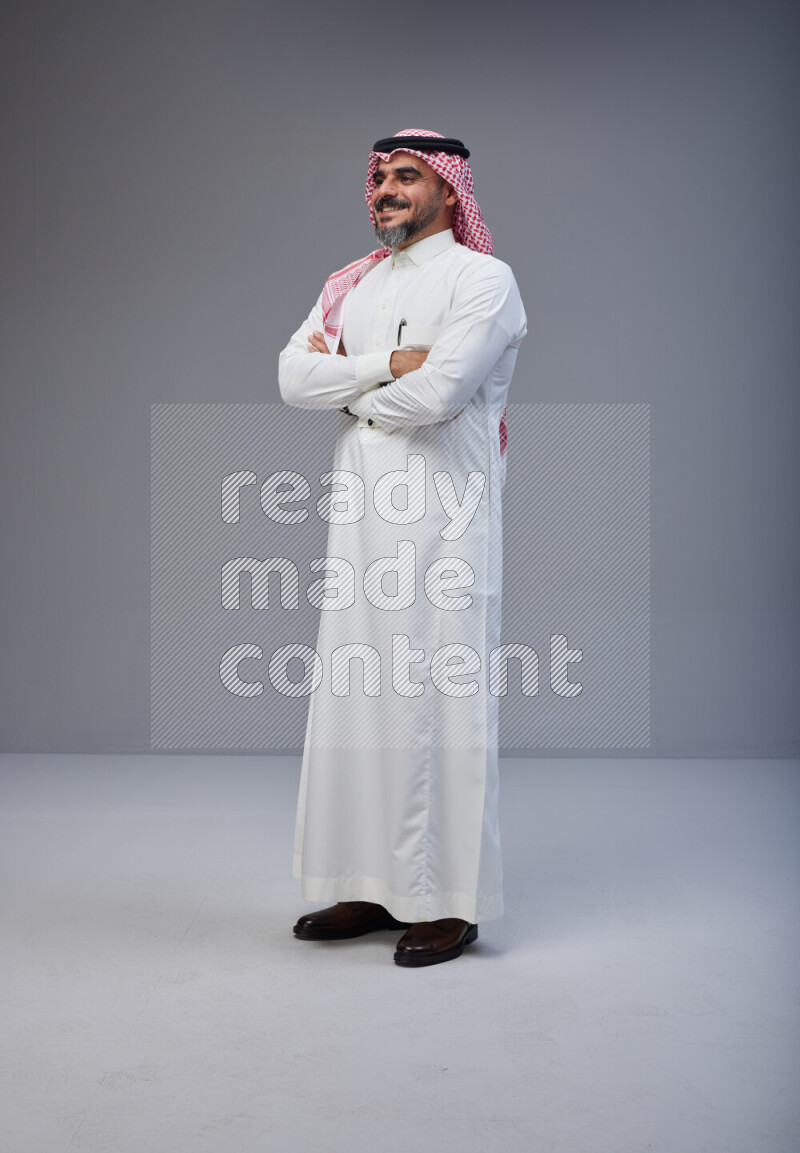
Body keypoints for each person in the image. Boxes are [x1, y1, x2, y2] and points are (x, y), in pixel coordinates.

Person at [278, 129, 527, 966]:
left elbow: (443, 393)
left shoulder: (483, 279)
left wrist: (353, 392)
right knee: (358, 695)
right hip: (359, 523)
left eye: (407, 176)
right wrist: (387, 365)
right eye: (380, 176)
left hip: (445, 521)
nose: (385, 189)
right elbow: (289, 377)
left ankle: (448, 902)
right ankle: (367, 882)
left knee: (438, 696)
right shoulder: (351, 283)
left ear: (451, 191)